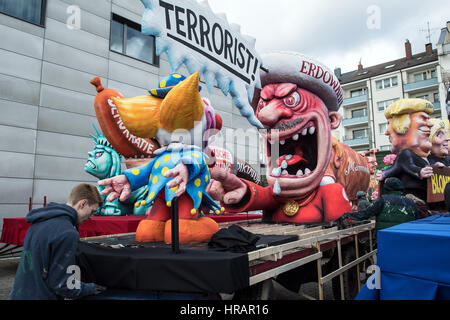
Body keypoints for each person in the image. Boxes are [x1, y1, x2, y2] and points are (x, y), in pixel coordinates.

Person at [10, 184, 106, 300]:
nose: (91, 217)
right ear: (83, 203)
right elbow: (63, 285)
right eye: (92, 211)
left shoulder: (39, 221)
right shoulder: (67, 232)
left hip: (21, 293)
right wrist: (90, 288)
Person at [377, 98, 435, 203]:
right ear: (402, 126)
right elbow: (402, 166)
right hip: (412, 198)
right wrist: (420, 172)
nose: (430, 124)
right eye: (423, 118)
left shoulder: (424, 157)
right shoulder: (405, 153)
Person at [339, 177, 420, 233]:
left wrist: (347, 215)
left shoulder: (382, 200)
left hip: (386, 238)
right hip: (406, 238)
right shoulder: (410, 202)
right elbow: (418, 221)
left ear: (386, 188)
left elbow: (365, 214)